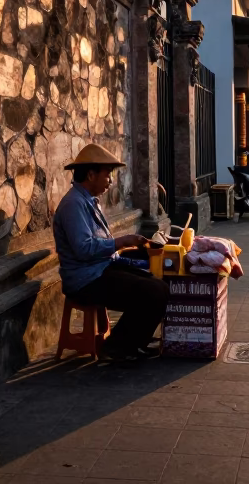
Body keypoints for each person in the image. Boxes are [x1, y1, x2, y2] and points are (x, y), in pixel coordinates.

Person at [53, 143, 166, 363]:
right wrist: (121, 242)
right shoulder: (73, 205)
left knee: (157, 281)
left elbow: (100, 245)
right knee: (152, 291)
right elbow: (84, 249)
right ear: (91, 174)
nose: (110, 181)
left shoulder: (89, 201)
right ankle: (117, 348)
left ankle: (134, 341)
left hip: (101, 268)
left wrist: (130, 249)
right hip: (85, 280)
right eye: (107, 175)